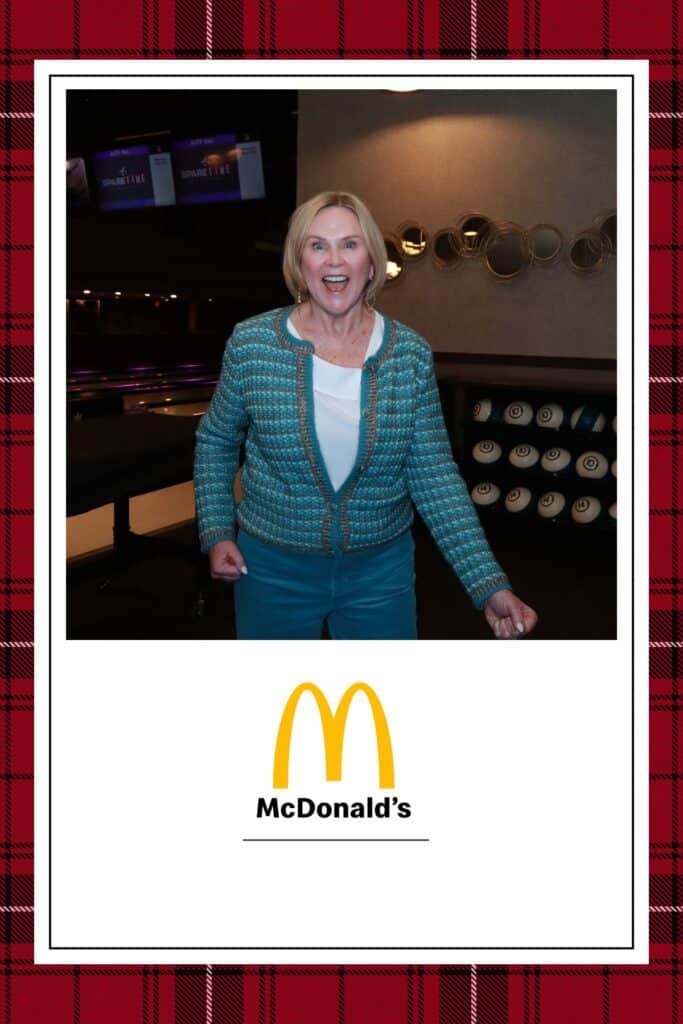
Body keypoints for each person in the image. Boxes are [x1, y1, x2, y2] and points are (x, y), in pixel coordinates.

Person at [193, 190, 537, 641]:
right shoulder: (252, 344)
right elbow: (216, 440)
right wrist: (217, 530)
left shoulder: (408, 354)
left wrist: (488, 584)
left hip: (379, 572)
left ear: (371, 263)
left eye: (350, 245)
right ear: (300, 265)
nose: (334, 260)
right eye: (317, 246)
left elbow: (434, 476)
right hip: (271, 568)